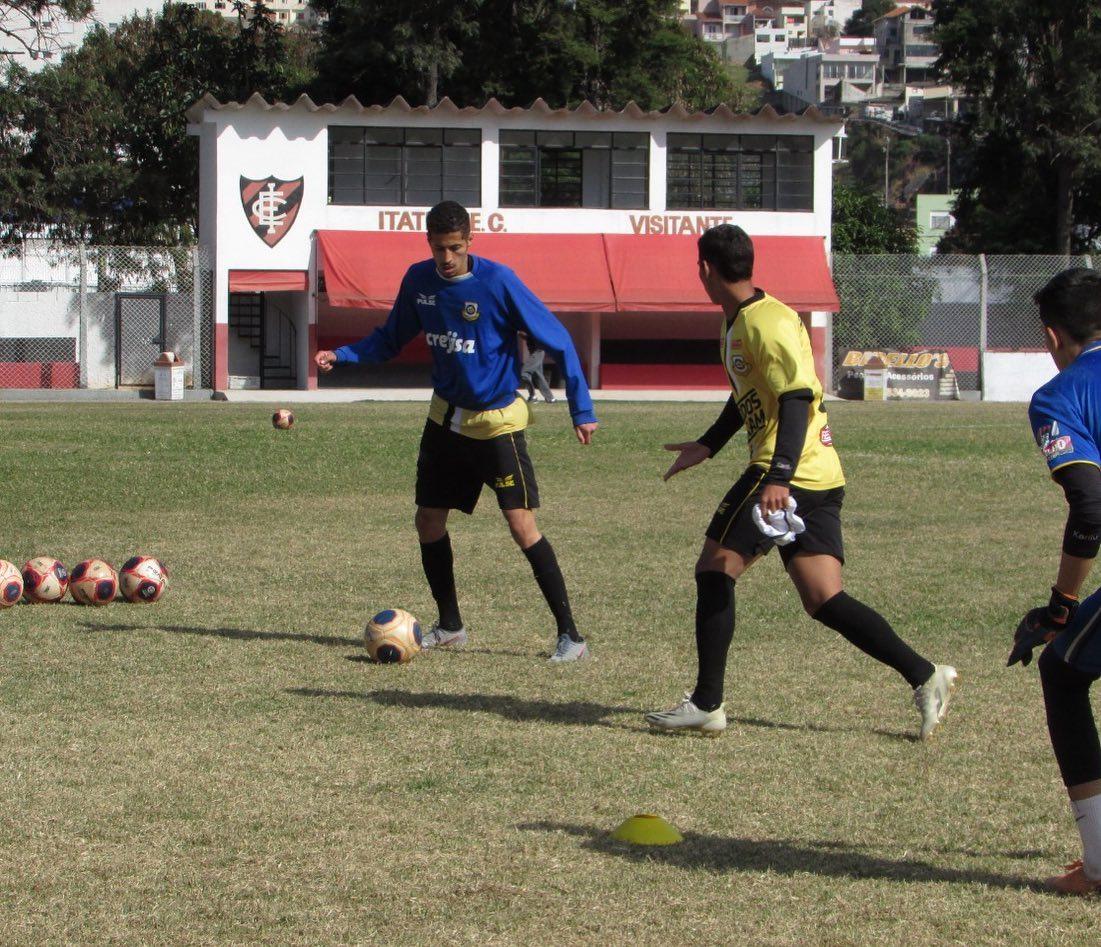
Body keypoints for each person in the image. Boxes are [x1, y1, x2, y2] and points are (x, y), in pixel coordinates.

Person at [644, 224, 957, 739]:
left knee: (715, 569)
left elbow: (795, 397)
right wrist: (708, 444)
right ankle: (925, 675)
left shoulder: (767, 321)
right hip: (819, 474)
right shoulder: (742, 321)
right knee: (823, 598)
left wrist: (779, 475)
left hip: (788, 471)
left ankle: (706, 703)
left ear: (705, 269)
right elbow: (749, 392)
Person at [314, 201, 598, 662]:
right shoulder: (419, 281)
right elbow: (389, 338)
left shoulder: (498, 281)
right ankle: (450, 626)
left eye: (455, 248)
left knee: (521, 525)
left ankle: (570, 636)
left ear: (470, 240)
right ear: (427, 242)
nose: (446, 258)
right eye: (438, 248)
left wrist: (580, 408)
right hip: (445, 422)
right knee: (428, 520)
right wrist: (343, 355)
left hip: (497, 425)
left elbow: (558, 339)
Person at [1009, 267, 1101, 894]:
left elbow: (1091, 508)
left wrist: (1060, 606)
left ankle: (1099, 864)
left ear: (1051, 335)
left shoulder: (1061, 392)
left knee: (1062, 667)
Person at [519, 332, 556, 403]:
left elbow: (531, 335)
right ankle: (550, 398)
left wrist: (518, 332)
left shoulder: (531, 325)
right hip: (534, 351)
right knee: (539, 376)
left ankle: (533, 396)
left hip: (538, 351)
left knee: (524, 373)